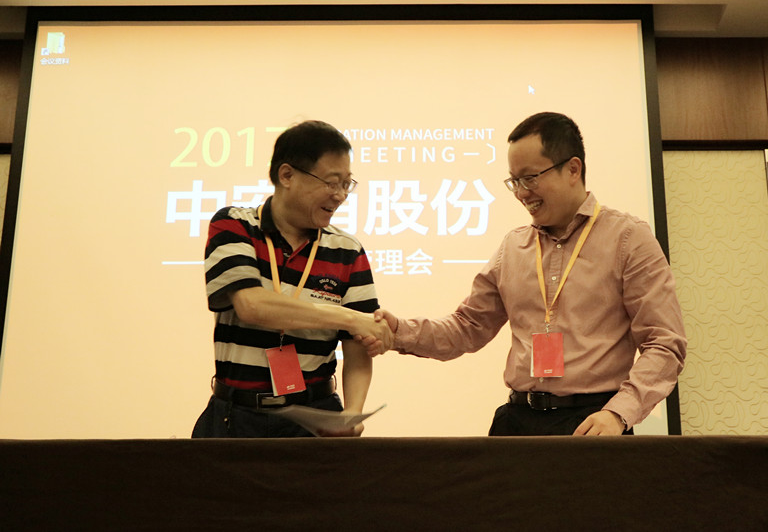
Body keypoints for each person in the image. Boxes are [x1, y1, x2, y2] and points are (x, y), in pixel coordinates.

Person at [359, 112, 687, 436]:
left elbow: (664, 344)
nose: (521, 192)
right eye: (514, 181)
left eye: (530, 178)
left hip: (593, 423)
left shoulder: (628, 239)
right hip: (517, 423)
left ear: (573, 169)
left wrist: (618, 413)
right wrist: (398, 331)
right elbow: (467, 328)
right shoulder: (513, 247)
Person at [192, 120, 391, 438]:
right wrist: (351, 318)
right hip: (235, 418)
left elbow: (357, 346)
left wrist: (352, 413)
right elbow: (252, 306)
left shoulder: (347, 250)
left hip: (316, 417)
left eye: (347, 184)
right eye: (331, 183)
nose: (340, 195)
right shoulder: (234, 225)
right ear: (286, 175)